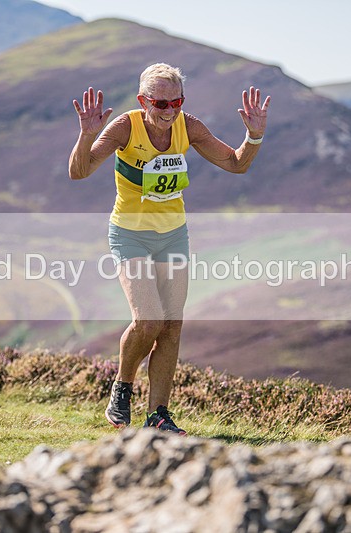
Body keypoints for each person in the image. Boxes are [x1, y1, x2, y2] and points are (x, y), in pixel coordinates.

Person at [69, 63, 270, 435]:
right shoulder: (125, 127)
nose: (169, 111)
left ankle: (158, 416)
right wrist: (86, 136)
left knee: (172, 326)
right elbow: (79, 172)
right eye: (160, 104)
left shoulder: (188, 126)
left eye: (176, 102)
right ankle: (123, 386)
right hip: (130, 234)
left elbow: (235, 164)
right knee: (149, 320)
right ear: (143, 100)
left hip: (174, 236)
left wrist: (253, 137)